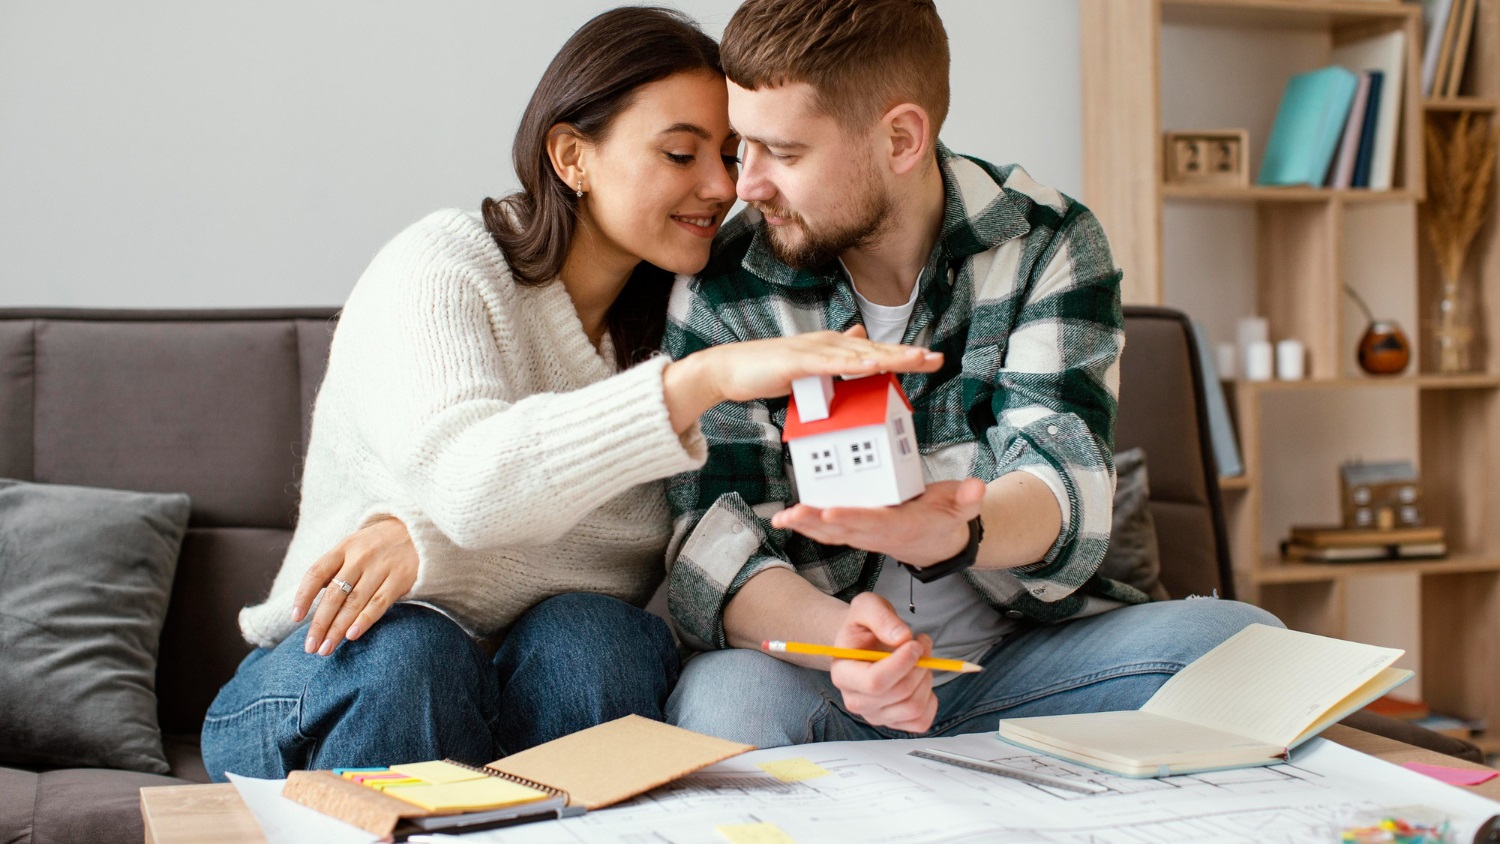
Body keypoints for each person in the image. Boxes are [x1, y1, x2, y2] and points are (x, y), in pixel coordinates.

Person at [200, 6, 941, 782]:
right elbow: (473, 488)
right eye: (681, 153)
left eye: (729, 155)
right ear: (571, 156)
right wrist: (702, 382)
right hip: (329, 678)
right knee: (415, 650)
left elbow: (647, 561)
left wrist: (431, 552)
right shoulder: (442, 270)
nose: (723, 187)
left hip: (520, 694)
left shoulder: (685, 320)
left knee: (600, 638)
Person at [661, 0, 1281, 748]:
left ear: (901, 138)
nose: (746, 185)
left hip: (1021, 665)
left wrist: (957, 529)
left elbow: (1064, 476)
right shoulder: (726, 280)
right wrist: (847, 645)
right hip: (823, 671)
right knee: (727, 697)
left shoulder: (1046, 239)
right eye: (744, 147)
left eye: (783, 154)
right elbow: (713, 542)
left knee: (1247, 647)